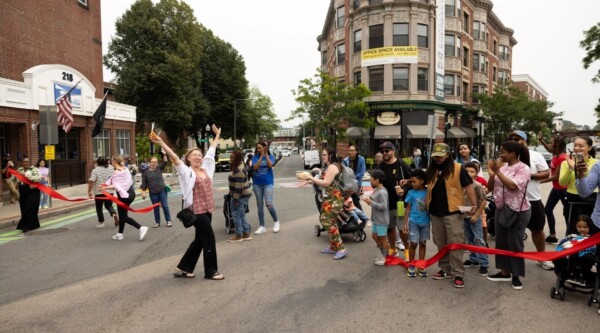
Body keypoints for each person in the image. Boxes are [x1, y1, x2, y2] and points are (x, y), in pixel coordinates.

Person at [150, 124, 225, 280]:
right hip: (197, 212)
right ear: (189, 159)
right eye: (194, 155)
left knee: (199, 240)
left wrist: (217, 135)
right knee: (209, 239)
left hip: (207, 210)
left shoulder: (206, 169)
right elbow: (174, 157)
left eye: (199, 155)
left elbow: (211, 151)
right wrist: (161, 143)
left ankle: (184, 267)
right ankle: (211, 271)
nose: (198, 157)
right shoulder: (186, 172)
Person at [425, 143, 478, 288]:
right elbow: (424, 185)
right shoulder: (432, 169)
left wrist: (474, 206)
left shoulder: (458, 168)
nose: (439, 159)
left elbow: (469, 187)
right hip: (435, 213)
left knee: (455, 244)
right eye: (436, 156)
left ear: (448, 155)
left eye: (441, 156)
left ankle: (458, 273)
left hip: (453, 212)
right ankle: (445, 269)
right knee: (440, 243)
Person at [486, 141, 531, 290]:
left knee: (515, 243)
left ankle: (516, 276)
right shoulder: (503, 167)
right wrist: (492, 175)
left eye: (503, 152)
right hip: (500, 208)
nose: (500, 155)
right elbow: (490, 187)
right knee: (502, 242)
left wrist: (498, 172)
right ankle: (504, 272)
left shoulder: (523, 168)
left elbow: (513, 186)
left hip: (518, 211)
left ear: (512, 154)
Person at [508, 130, 553, 270]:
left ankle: (542, 257)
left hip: (533, 199)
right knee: (512, 231)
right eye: (512, 139)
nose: (515, 141)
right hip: (512, 200)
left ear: (525, 140)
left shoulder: (536, 155)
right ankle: (512, 260)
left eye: (518, 138)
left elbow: (546, 173)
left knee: (537, 229)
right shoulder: (507, 155)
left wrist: (529, 175)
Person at [305, 148, 348, 260]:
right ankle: (334, 247)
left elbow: (326, 183)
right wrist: (309, 180)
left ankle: (341, 248)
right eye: (322, 154)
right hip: (329, 198)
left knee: (328, 221)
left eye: (324, 154)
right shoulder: (329, 167)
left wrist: (311, 178)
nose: (322, 156)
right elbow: (325, 180)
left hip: (335, 198)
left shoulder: (333, 167)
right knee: (326, 220)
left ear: (330, 155)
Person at [375, 142, 412, 258]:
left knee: (402, 229)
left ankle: (407, 250)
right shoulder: (381, 166)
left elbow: (413, 181)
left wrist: (404, 190)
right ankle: (393, 248)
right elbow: (375, 181)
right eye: (382, 151)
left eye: (387, 151)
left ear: (393, 151)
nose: (384, 153)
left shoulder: (402, 165)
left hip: (400, 203)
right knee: (390, 229)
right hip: (386, 204)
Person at [101, 155, 148, 242]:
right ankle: (120, 234)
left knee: (123, 216)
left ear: (115, 161)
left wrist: (104, 188)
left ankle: (141, 227)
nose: (111, 162)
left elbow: (116, 186)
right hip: (130, 193)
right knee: (122, 214)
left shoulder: (116, 172)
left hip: (124, 196)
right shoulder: (125, 168)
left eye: (112, 160)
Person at [559, 136, 598, 233]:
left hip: (590, 199)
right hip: (572, 199)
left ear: (589, 148)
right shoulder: (566, 163)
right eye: (575, 145)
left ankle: (590, 248)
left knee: (590, 229)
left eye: (581, 146)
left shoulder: (596, 164)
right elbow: (562, 183)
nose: (577, 148)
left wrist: (581, 170)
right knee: (572, 228)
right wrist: (570, 168)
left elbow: (591, 183)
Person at [552, 215, 597, 286]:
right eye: (579, 227)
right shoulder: (571, 236)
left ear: (589, 227)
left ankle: (583, 276)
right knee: (561, 257)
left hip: (586, 256)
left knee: (588, 258)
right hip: (571, 256)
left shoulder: (592, 239)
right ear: (575, 227)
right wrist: (561, 250)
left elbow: (593, 248)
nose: (582, 229)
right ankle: (569, 274)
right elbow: (562, 245)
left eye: (585, 227)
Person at [539, 134, 568, 244]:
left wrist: (540, 181)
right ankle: (552, 236)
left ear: (558, 145)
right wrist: (542, 141)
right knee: (548, 210)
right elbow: (549, 149)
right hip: (556, 189)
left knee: (567, 213)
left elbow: (556, 176)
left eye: (552, 143)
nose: (550, 145)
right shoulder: (555, 154)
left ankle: (569, 237)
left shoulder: (562, 158)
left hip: (564, 189)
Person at [461, 162, 489, 276]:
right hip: (464, 216)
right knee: (470, 239)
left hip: (474, 217)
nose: (469, 173)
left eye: (472, 171)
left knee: (479, 239)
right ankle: (473, 259)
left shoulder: (477, 185)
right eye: (466, 171)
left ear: (476, 173)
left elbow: (483, 201)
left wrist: (476, 215)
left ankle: (484, 264)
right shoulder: (461, 185)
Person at [402, 169, 430, 278]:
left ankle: (421, 265)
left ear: (422, 181)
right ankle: (412, 264)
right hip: (413, 221)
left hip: (426, 222)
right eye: (411, 182)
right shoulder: (410, 192)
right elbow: (408, 209)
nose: (412, 184)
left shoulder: (428, 191)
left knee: (423, 243)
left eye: (414, 182)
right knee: (413, 243)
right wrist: (405, 224)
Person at [252, 142, 281, 234]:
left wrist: (265, 155)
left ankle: (276, 222)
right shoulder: (255, 157)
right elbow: (255, 167)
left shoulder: (271, 156)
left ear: (265, 148)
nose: (259, 149)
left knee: (269, 204)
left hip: (268, 183)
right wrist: (261, 156)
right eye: (258, 148)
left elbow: (270, 165)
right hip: (257, 184)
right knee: (259, 205)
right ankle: (262, 226)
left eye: (261, 148)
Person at [362, 169, 389, 266]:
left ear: (377, 180)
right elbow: (376, 201)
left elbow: (383, 206)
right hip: (376, 218)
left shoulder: (382, 192)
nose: (370, 181)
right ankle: (382, 253)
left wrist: (371, 202)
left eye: (371, 179)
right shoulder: (377, 190)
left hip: (381, 219)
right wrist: (369, 199)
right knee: (374, 235)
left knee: (382, 237)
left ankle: (385, 256)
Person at [227, 150, 253, 242]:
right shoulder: (238, 167)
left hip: (239, 196)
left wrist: (235, 199)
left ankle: (239, 235)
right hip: (241, 195)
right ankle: (246, 233)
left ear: (237, 158)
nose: (230, 159)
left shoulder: (239, 170)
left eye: (232, 157)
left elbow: (239, 186)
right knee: (241, 214)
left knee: (236, 214)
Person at [141, 155, 172, 228]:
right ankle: (157, 222)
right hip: (152, 192)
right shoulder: (146, 172)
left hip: (162, 190)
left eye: (155, 162)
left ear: (157, 163)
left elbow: (165, 161)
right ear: (149, 163)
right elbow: (144, 182)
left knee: (164, 205)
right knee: (155, 207)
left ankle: (168, 221)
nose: (153, 163)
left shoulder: (159, 169)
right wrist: (143, 191)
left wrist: (164, 154)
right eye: (152, 162)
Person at [88, 156, 119, 228]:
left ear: (98, 162)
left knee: (99, 208)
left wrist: (89, 191)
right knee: (109, 205)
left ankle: (101, 223)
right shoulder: (111, 168)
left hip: (99, 192)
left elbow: (91, 181)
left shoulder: (95, 170)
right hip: (109, 191)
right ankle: (114, 214)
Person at [14, 157, 41, 233]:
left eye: (27, 162)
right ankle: (35, 224)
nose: (26, 163)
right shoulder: (19, 170)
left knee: (29, 208)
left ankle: (24, 226)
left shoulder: (35, 169)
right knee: (24, 208)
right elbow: (16, 179)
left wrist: (26, 175)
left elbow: (38, 178)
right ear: (22, 163)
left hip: (33, 190)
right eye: (24, 162)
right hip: (22, 190)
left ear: (29, 162)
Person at [342, 144, 366, 210]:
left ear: (356, 151)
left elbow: (362, 173)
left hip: (357, 183)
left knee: (355, 200)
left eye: (352, 150)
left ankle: (362, 217)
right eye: (349, 150)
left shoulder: (361, 159)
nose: (350, 152)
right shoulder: (345, 160)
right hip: (347, 184)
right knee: (348, 201)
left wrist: (352, 177)